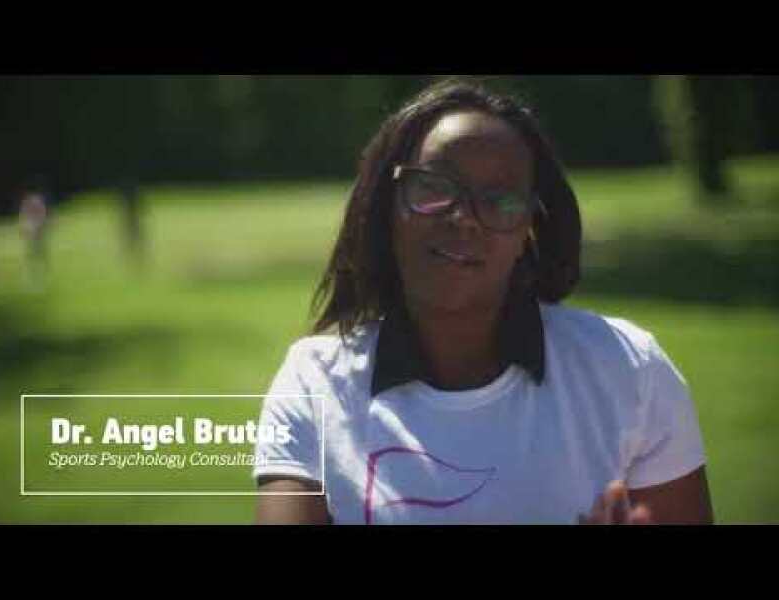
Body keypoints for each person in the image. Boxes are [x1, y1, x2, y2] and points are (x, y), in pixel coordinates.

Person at [252, 79, 714, 525]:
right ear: (386, 206)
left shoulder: (630, 369)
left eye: (500, 200)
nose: (464, 219)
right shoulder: (313, 384)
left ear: (529, 229)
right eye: (433, 187)